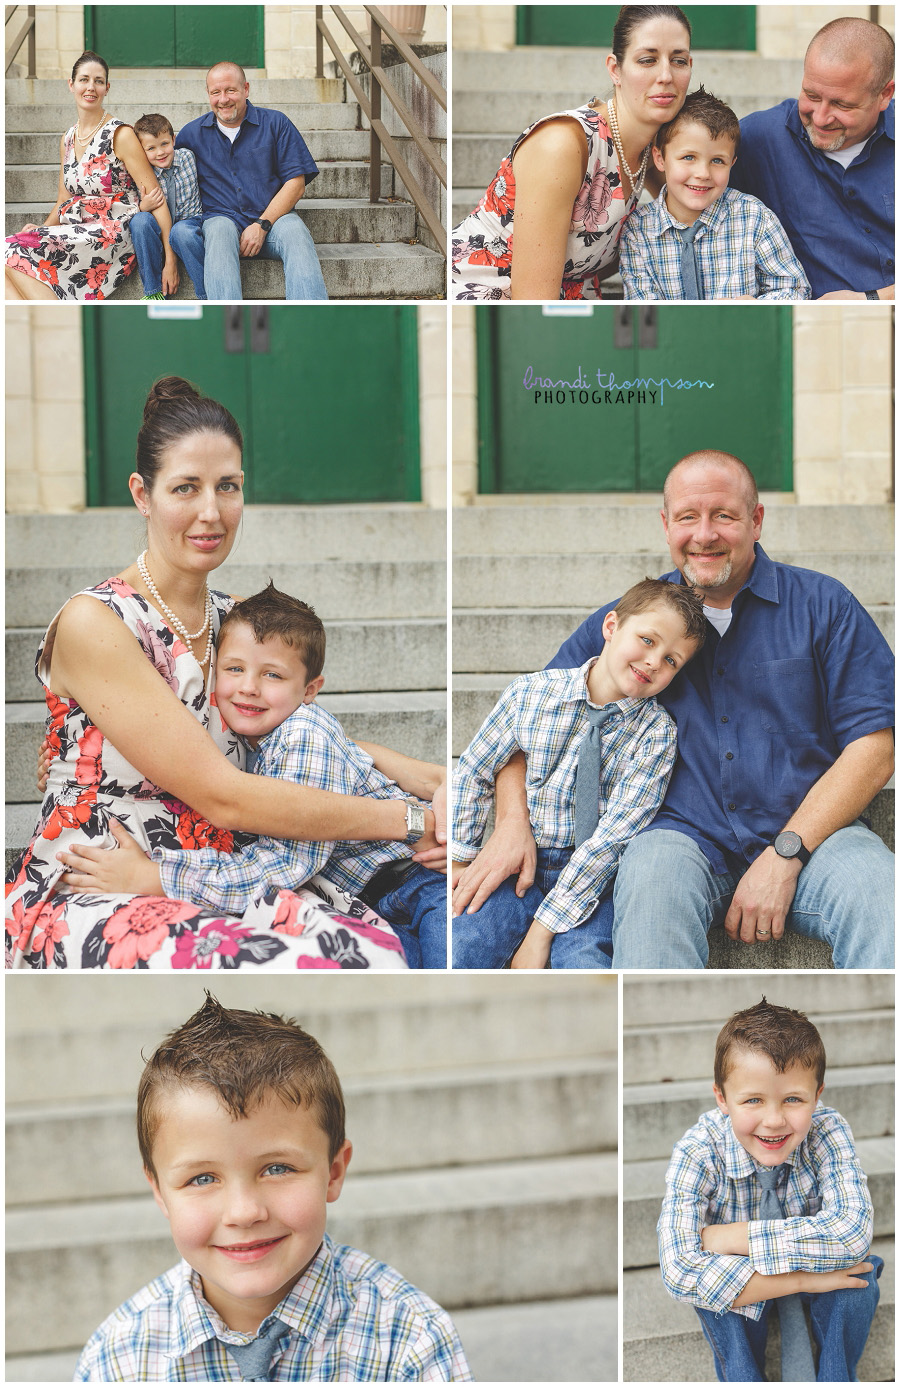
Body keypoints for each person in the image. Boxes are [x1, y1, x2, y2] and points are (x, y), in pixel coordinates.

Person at [5, 376, 446, 972]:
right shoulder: (97, 621)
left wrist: (436, 779)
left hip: (220, 871)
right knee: (329, 962)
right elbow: (225, 793)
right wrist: (410, 820)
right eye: (185, 487)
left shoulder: (232, 622)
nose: (211, 512)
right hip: (107, 878)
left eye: (228, 486)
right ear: (142, 493)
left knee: (382, 951)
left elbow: (299, 737)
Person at [452, 451, 894, 970]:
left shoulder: (823, 605)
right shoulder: (636, 622)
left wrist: (786, 852)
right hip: (679, 839)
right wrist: (510, 820)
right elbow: (533, 717)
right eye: (687, 516)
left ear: (756, 520)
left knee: (882, 899)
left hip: (815, 839)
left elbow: (876, 746)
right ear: (666, 525)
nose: (704, 534)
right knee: (651, 883)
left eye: (724, 515)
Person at [74, 994, 473, 1381]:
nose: (245, 1212)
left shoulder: (409, 1339)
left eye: (277, 1168)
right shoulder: (117, 1360)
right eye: (202, 1178)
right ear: (160, 1192)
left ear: (333, 1172)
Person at [57, 584, 448, 969]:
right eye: (235, 669)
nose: (248, 687)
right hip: (375, 893)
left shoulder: (300, 734)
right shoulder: (266, 729)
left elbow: (285, 864)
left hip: (421, 882)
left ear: (310, 689)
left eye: (272, 676)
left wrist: (159, 877)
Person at [452, 579, 705, 969]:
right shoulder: (530, 694)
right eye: (648, 640)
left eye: (672, 660)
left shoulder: (657, 736)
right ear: (610, 627)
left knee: (585, 963)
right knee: (465, 944)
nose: (655, 661)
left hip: (593, 882)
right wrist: (459, 863)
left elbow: (612, 841)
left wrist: (541, 933)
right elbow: (473, 772)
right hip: (519, 864)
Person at [658, 999, 882, 1381]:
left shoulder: (827, 1130)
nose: (774, 1121)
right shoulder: (699, 1149)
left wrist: (733, 1236)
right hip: (752, 1279)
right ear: (721, 1098)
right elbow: (679, 1268)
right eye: (753, 1100)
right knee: (716, 1300)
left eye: (793, 1099)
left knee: (856, 1284)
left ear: (818, 1094)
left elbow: (853, 1233)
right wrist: (803, 1279)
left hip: (815, 1261)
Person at [451, 5, 693, 301]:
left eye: (679, 60)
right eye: (647, 60)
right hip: (488, 291)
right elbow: (533, 299)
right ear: (616, 69)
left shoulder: (655, 149)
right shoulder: (562, 144)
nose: (666, 75)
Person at [729, 17, 894, 301]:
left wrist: (874, 298)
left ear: (885, 95)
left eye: (842, 104)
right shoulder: (755, 139)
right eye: (811, 95)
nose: (820, 118)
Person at [4, 51, 175, 301]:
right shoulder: (68, 139)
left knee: (12, 251)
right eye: (84, 79)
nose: (90, 87)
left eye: (98, 81)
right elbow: (64, 197)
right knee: (8, 252)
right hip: (77, 227)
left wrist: (170, 260)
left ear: (107, 87)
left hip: (113, 232)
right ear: (71, 85)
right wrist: (42, 229)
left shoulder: (121, 135)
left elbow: (156, 199)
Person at [619, 87, 810, 299]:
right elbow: (643, 307)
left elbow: (794, 289)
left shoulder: (755, 218)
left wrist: (755, 307)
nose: (703, 174)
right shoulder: (638, 231)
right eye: (689, 157)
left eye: (717, 161)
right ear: (660, 159)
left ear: (732, 163)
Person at [176, 61, 327, 301]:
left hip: (274, 220)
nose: (223, 99)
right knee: (218, 229)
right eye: (216, 92)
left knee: (296, 231)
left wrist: (262, 224)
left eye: (231, 90)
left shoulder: (276, 124)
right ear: (208, 94)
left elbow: (296, 184)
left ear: (246, 89)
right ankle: (228, 328)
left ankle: (309, 324)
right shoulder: (190, 135)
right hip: (222, 221)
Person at [131, 113, 206, 300]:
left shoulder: (189, 158)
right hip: (158, 231)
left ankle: (207, 296)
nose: (160, 152)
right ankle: (153, 291)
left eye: (164, 144)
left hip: (189, 224)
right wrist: (143, 206)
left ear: (173, 139)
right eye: (151, 148)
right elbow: (127, 209)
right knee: (140, 221)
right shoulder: (142, 172)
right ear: (141, 151)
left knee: (181, 232)